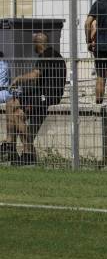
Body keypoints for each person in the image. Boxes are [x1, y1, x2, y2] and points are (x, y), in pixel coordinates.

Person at [1, 33, 66, 165]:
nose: (33, 47)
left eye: (34, 44)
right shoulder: (47, 55)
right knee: (11, 102)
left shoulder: (48, 55)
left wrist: (19, 79)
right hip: (39, 93)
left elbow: (35, 75)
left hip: (48, 95)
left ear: (38, 43)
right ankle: (10, 145)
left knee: (18, 115)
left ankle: (28, 153)